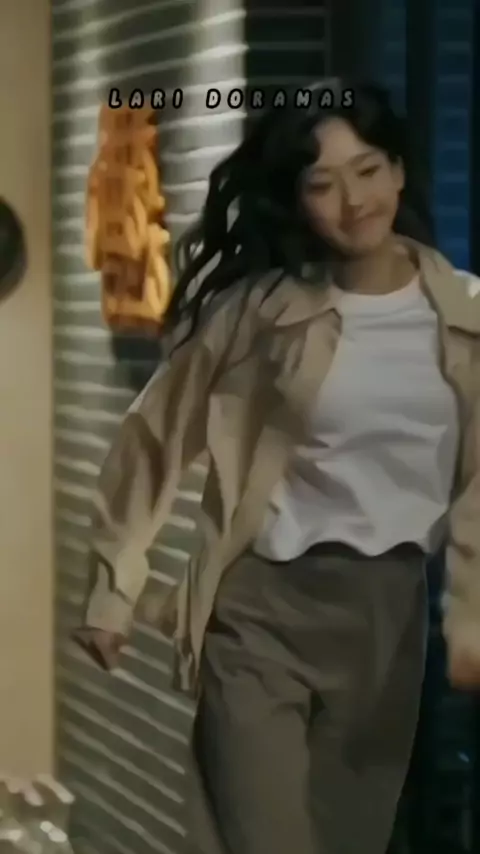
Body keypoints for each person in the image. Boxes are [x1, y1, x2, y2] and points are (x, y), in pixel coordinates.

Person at [73, 78, 480, 854]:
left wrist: (470, 620)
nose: (352, 201)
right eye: (321, 184)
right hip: (262, 615)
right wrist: (112, 590)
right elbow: (153, 437)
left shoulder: (467, 317)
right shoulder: (259, 314)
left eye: (367, 170)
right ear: (297, 200)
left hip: (387, 623)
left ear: (398, 171)